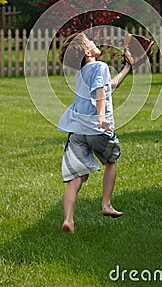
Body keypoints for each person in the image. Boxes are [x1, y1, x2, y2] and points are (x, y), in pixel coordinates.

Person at [58, 31, 131, 233]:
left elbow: (110, 85)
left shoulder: (80, 74)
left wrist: (127, 67)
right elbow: (100, 91)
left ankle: (68, 220)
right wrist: (101, 116)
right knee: (111, 160)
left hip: (77, 130)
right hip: (96, 127)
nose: (94, 42)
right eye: (90, 41)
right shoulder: (100, 67)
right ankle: (106, 204)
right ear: (87, 51)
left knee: (76, 177)